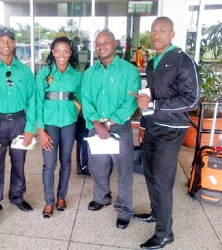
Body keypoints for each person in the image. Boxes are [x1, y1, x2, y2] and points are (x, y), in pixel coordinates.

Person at [130, 17, 199, 249]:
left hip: (172, 130)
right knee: (149, 172)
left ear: (172, 34)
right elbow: (150, 94)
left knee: (162, 180)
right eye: (153, 30)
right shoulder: (153, 61)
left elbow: (192, 100)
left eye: (162, 31)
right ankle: (155, 213)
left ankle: (164, 233)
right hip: (153, 126)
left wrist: (153, 106)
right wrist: (143, 124)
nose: (156, 34)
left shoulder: (182, 59)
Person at [81, 28, 141, 229]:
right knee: (97, 166)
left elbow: (131, 102)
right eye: (98, 43)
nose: (101, 46)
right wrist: (97, 124)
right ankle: (101, 197)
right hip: (96, 127)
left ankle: (124, 208)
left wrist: (109, 123)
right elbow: (86, 100)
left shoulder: (129, 71)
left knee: (124, 170)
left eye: (106, 42)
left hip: (120, 127)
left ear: (115, 44)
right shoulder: (89, 73)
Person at [0, 26, 36, 228]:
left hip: (20, 122)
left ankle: (17, 196)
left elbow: (32, 100)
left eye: (9, 40)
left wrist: (30, 127)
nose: (5, 44)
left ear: (14, 43)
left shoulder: (25, 71)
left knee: (19, 162)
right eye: (1, 40)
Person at [36, 36, 82, 218]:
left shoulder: (77, 75)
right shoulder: (44, 73)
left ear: (70, 53)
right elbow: (37, 102)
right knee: (49, 164)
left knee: (66, 161)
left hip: (69, 123)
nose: (61, 54)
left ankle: (61, 196)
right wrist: (41, 130)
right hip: (50, 125)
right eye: (58, 51)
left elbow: (82, 98)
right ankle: (49, 201)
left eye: (66, 51)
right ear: (53, 52)